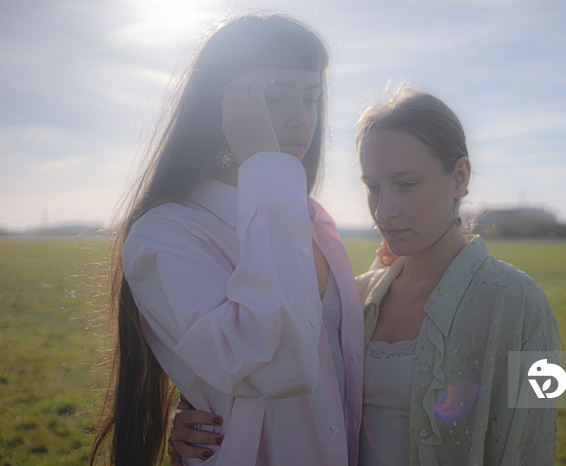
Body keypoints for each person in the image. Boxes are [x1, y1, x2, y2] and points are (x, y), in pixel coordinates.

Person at [170, 88, 561, 465]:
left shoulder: (515, 302)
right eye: (373, 187)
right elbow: (281, 393)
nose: (384, 210)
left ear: (459, 177)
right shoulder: (355, 298)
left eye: (405, 185)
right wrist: (201, 420)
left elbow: (527, 447)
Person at [89, 14, 364, 466]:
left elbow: (343, 358)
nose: (301, 119)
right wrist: (261, 163)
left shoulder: (312, 218)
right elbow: (269, 362)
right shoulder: (165, 234)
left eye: (312, 99)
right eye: (275, 97)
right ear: (222, 106)